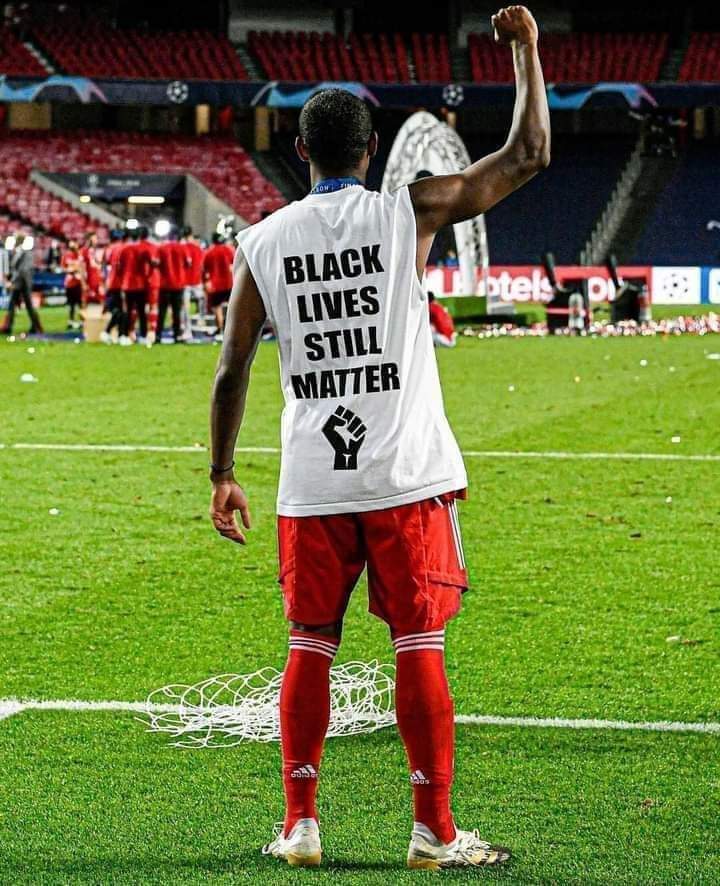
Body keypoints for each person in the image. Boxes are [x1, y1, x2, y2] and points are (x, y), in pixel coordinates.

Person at [209, 5, 549, 871]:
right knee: (419, 646)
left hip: (312, 480)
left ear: (300, 153)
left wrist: (222, 474)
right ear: (370, 151)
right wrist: (526, 52)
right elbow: (528, 155)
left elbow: (231, 368)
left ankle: (300, 826)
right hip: (404, 474)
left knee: (308, 647)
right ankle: (433, 831)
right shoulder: (410, 210)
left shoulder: (262, 241)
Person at [118, 226, 153, 342]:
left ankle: (124, 335)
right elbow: (151, 264)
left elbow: (119, 267)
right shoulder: (143, 250)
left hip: (127, 284)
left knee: (127, 311)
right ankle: (143, 336)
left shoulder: (124, 249)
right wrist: (148, 276)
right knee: (142, 311)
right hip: (140, 284)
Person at [4, 235, 42, 335]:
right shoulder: (23, 252)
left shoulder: (24, 252)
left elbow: (22, 270)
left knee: (13, 305)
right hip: (23, 282)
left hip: (21, 283)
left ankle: (8, 327)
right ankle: (36, 326)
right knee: (24, 306)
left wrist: (12, 282)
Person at [155, 229, 187, 343]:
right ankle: (177, 335)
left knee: (162, 311)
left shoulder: (161, 248)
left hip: (164, 284)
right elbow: (188, 263)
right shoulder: (182, 248)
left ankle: (158, 335)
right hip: (178, 284)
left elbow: (156, 262)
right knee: (176, 312)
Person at [202, 232, 234, 341]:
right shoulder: (229, 250)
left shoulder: (209, 252)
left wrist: (206, 283)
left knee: (217, 308)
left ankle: (220, 330)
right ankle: (232, 330)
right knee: (232, 307)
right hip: (230, 283)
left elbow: (205, 270)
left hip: (216, 285)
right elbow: (233, 265)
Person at [100, 229, 127, 344]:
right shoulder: (120, 249)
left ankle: (118, 334)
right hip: (118, 283)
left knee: (118, 310)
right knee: (121, 310)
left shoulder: (108, 250)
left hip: (111, 282)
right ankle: (110, 332)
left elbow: (105, 267)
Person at [180, 226, 204, 339]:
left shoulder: (181, 247)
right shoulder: (198, 248)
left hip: (184, 281)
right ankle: (200, 319)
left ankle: (187, 330)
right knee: (202, 300)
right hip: (197, 280)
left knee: (185, 308)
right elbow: (201, 265)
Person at [62, 239, 84, 330]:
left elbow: (83, 266)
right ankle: (71, 321)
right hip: (70, 282)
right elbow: (63, 268)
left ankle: (82, 321)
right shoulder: (66, 255)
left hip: (79, 282)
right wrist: (70, 271)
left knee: (80, 304)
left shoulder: (80, 254)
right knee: (71, 304)